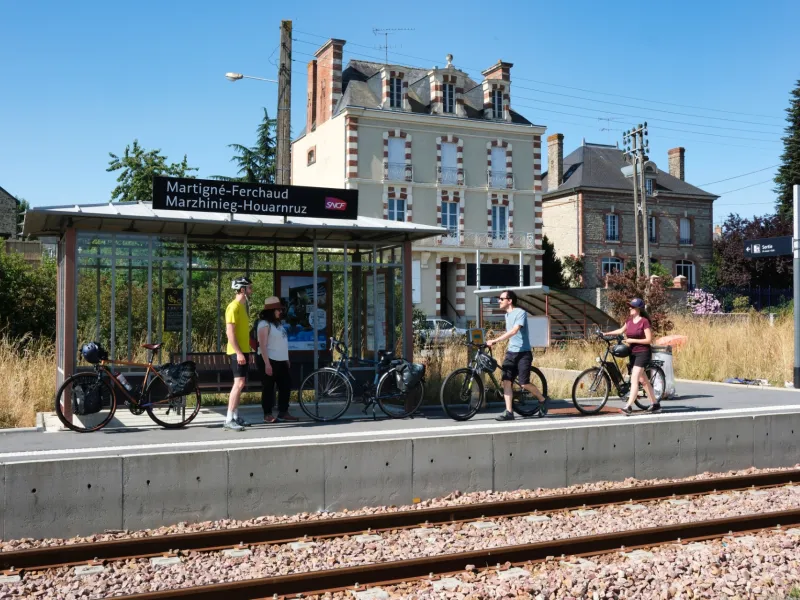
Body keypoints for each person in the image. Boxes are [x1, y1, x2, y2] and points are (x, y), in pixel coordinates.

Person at [486, 290, 547, 421]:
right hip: (511, 352)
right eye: (499, 299)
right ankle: (509, 412)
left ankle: (542, 399)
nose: (499, 301)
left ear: (510, 300)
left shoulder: (520, 313)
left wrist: (496, 340)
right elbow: (509, 332)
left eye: (501, 299)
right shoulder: (507, 316)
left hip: (523, 353)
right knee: (506, 381)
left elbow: (514, 331)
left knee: (524, 384)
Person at [602, 297, 660, 416]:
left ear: (638, 309)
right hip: (633, 352)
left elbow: (649, 340)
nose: (630, 308)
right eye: (630, 306)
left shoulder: (644, 321)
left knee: (634, 379)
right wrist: (605, 333)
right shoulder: (629, 321)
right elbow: (620, 331)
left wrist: (631, 339)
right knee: (643, 380)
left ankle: (628, 407)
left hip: (643, 353)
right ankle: (655, 404)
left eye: (632, 307)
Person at [256, 296, 299, 423]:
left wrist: (286, 358)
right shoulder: (264, 324)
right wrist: (267, 364)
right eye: (278, 310)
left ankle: (283, 412)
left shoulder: (278, 324)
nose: (280, 312)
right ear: (271, 311)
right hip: (268, 359)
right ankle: (267, 414)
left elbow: (282, 343)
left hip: (281, 360)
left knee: (285, 386)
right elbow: (262, 345)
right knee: (268, 387)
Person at [224, 276, 253, 432]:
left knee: (241, 384)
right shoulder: (233, 307)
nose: (251, 290)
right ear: (242, 289)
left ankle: (235, 416)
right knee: (239, 384)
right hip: (237, 352)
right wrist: (239, 352)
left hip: (243, 351)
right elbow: (230, 332)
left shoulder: (241, 307)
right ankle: (229, 418)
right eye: (249, 288)